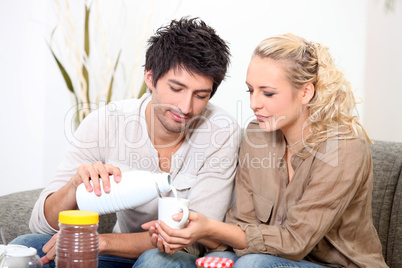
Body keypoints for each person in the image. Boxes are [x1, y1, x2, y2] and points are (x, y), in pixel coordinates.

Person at [137, 33, 388, 267]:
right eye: (251, 90)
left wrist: (210, 228)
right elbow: (241, 223)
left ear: (305, 92)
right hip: (261, 257)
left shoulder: (343, 147)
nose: (254, 103)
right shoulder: (258, 135)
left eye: (268, 93)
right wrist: (191, 237)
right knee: (157, 259)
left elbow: (294, 242)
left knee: (253, 263)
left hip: (332, 264)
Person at [10, 17, 240, 268]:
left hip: (181, 256)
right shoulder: (107, 121)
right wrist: (75, 186)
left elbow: (191, 238)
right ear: (150, 79)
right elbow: (41, 223)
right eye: (176, 88)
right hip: (120, 255)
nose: (186, 107)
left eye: (201, 95)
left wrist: (104, 242)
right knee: (28, 245)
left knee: (156, 261)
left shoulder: (222, 132)